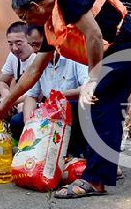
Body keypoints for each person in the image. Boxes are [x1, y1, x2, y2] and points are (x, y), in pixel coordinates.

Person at [0, 0, 131, 199]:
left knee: (99, 102)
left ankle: (94, 180)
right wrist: (7, 102)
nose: (26, 23)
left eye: (24, 17)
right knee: (107, 105)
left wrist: (92, 80)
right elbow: (33, 71)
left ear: (34, 7)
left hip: (130, 44)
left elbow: (94, 34)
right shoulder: (51, 26)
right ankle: (104, 169)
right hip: (121, 49)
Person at [8, 28, 89, 158]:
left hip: (72, 111)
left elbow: (87, 87)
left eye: (37, 45)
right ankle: (37, 152)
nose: (35, 50)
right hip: (48, 112)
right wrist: (29, 122)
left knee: (71, 106)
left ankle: (74, 153)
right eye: (32, 45)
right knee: (17, 121)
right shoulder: (38, 63)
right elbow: (31, 95)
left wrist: (58, 95)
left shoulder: (74, 57)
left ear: (51, 41)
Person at [0, 22, 36, 112]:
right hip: (15, 98)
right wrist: (5, 94)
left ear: (30, 40)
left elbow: (34, 94)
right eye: (10, 44)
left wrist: (5, 102)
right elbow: (1, 81)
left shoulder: (37, 57)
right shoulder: (13, 56)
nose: (15, 48)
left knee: (22, 106)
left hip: (34, 100)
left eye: (19, 43)